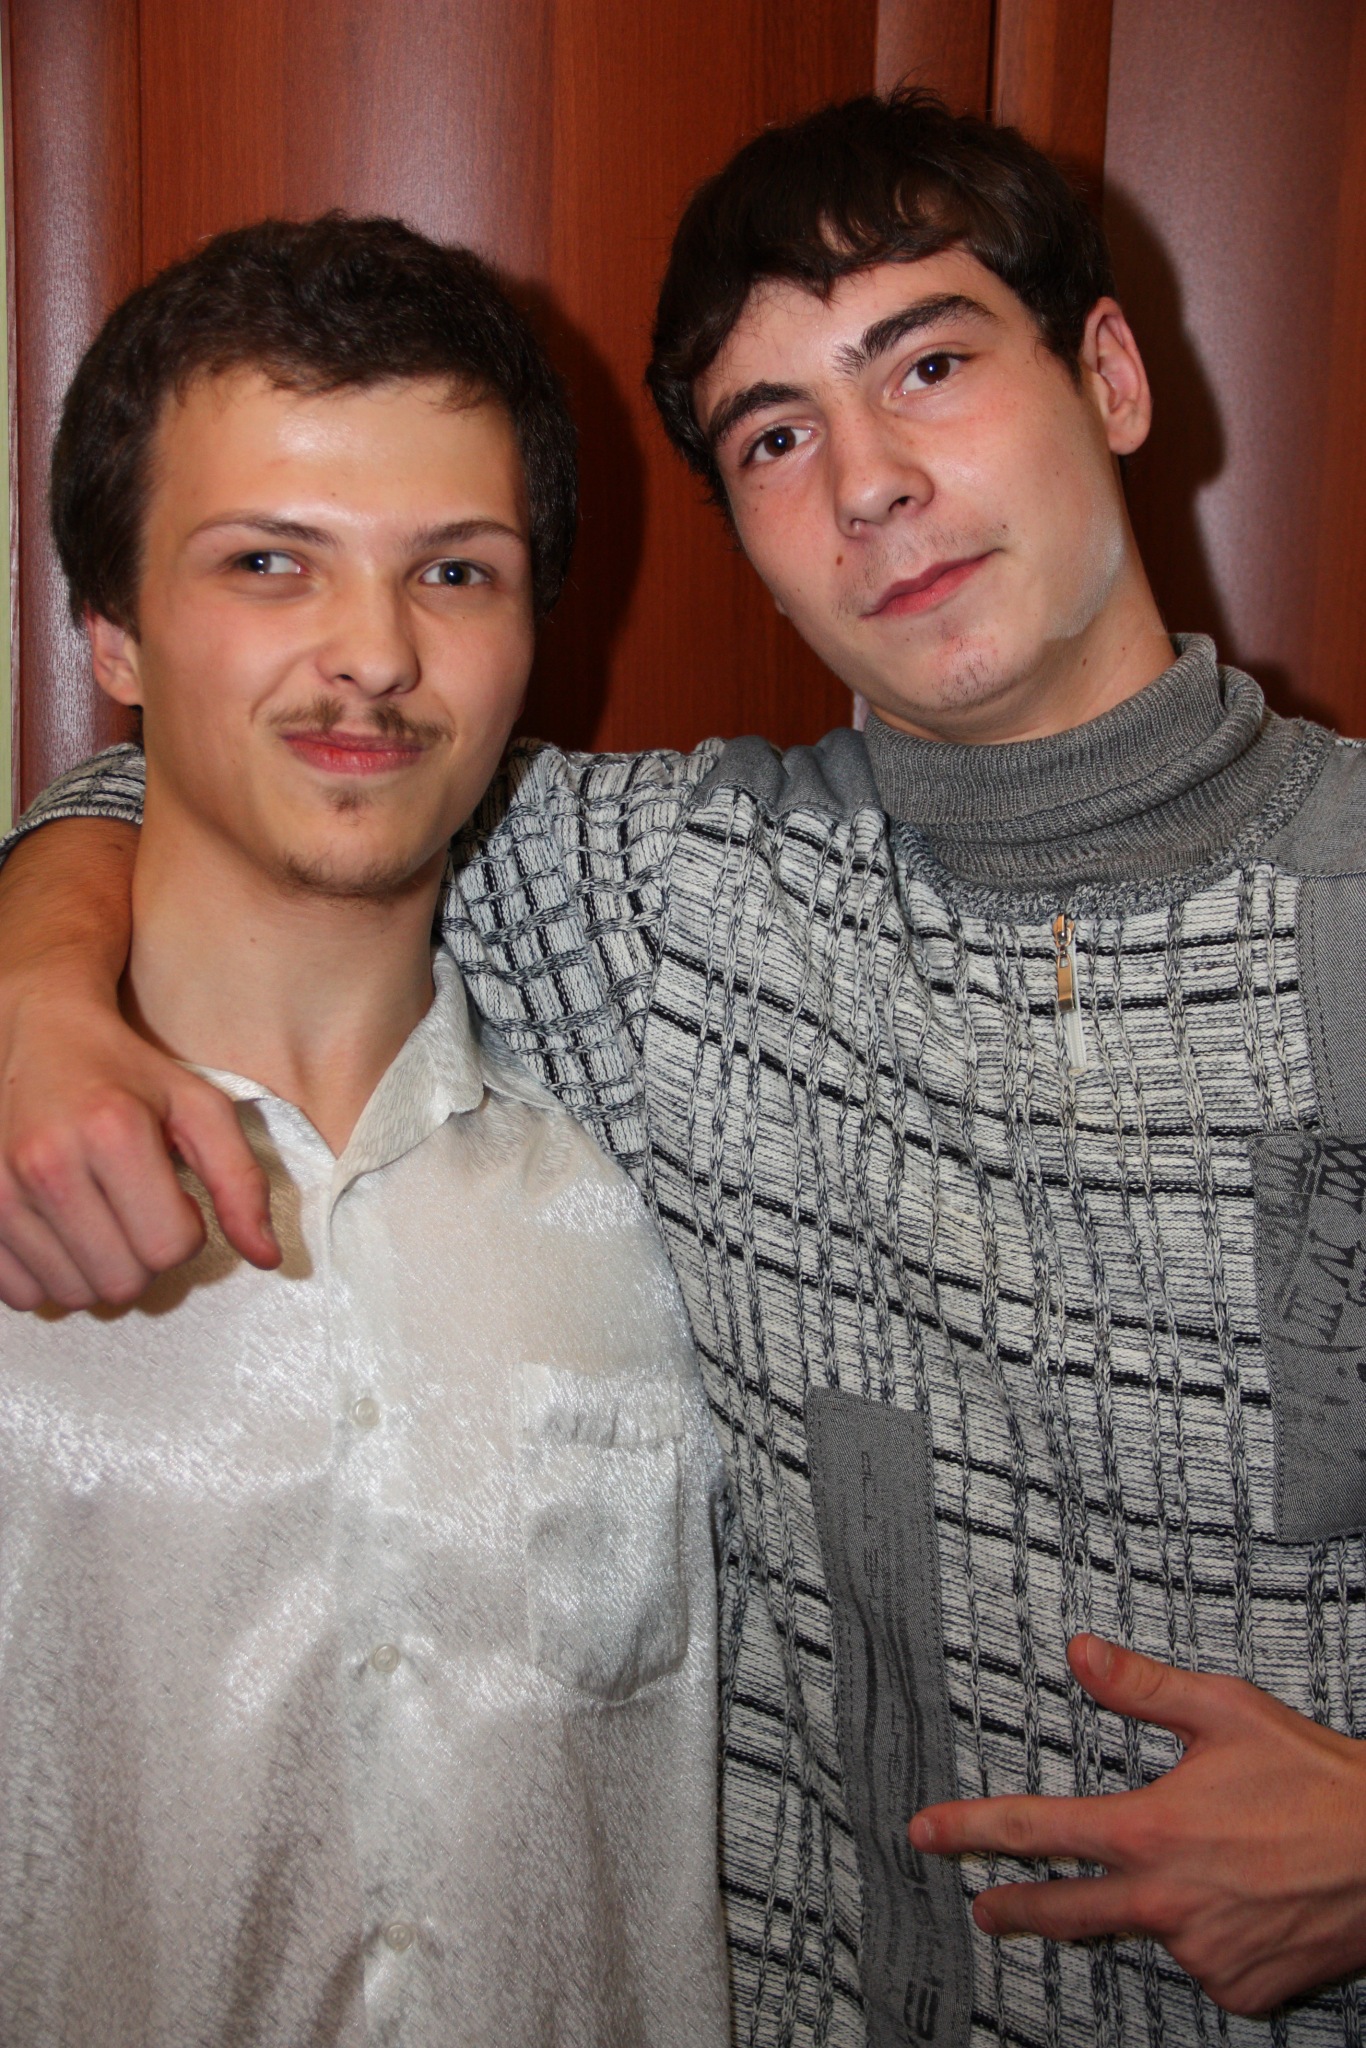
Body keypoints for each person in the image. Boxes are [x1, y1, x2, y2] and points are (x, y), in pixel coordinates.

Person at [3, 88, 1366, 2047]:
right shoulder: (668, 895)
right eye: (775, 435)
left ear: (1112, 377)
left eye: (928, 364)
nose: (871, 482)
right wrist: (39, 984)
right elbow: (253, 764)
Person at [0, 215, 730, 2047]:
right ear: (113, 631)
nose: (374, 656)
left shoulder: (665, 1191)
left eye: (455, 573)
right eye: (270, 562)